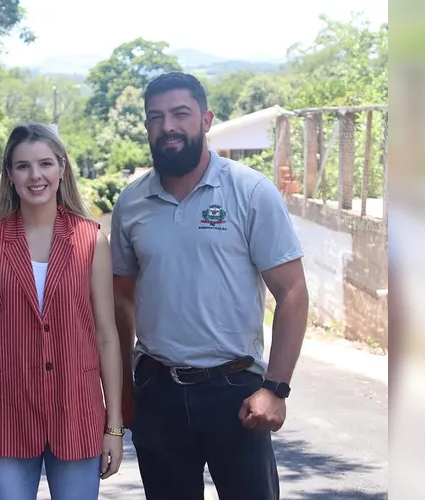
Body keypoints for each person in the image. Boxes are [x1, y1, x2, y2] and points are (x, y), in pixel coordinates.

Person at [111, 72, 310, 500]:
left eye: (180, 114)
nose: (168, 127)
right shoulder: (130, 204)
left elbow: (292, 293)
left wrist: (275, 389)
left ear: (205, 119)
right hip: (157, 392)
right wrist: (126, 387)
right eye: (156, 117)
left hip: (235, 395)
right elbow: (120, 297)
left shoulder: (250, 192)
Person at [0, 122, 125, 500]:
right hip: (6, 415)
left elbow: (106, 336)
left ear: (62, 168)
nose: (35, 176)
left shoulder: (90, 240)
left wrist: (113, 427)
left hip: (78, 413)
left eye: (45, 164)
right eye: (23, 166)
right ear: (9, 174)